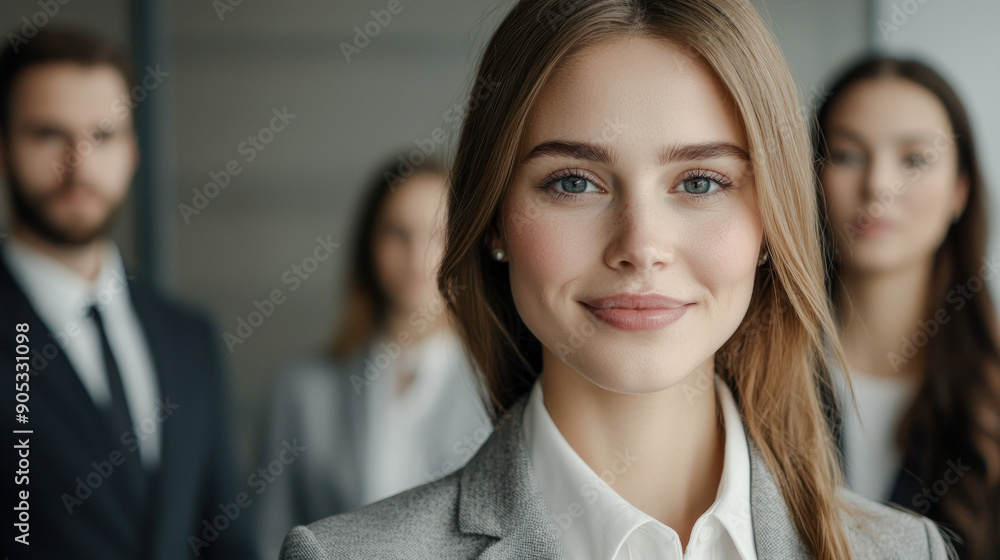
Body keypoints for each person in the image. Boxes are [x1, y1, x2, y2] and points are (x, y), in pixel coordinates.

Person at [279, 1, 952, 558]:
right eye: (574, 182)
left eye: (699, 182)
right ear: (492, 220)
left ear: (771, 222)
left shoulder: (907, 551)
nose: (641, 246)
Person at [0, 28, 257, 559]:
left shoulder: (189, 338)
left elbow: (227, 539)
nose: (79, 162)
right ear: (3, 146)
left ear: (134, 150)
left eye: (103, 135)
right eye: (49, 134)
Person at [255, 155, 491, 559]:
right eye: (397, 233)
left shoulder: (502, 384)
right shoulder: (302, 389)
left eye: (437, 234)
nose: (417, 255)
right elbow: (268, 534)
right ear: (369, 244)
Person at [814, 56, 1000, 560]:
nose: (878, 185)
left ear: (960, 191)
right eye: (847, 155)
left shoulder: (990, 394)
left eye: (914, 159)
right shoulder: (746, 374)